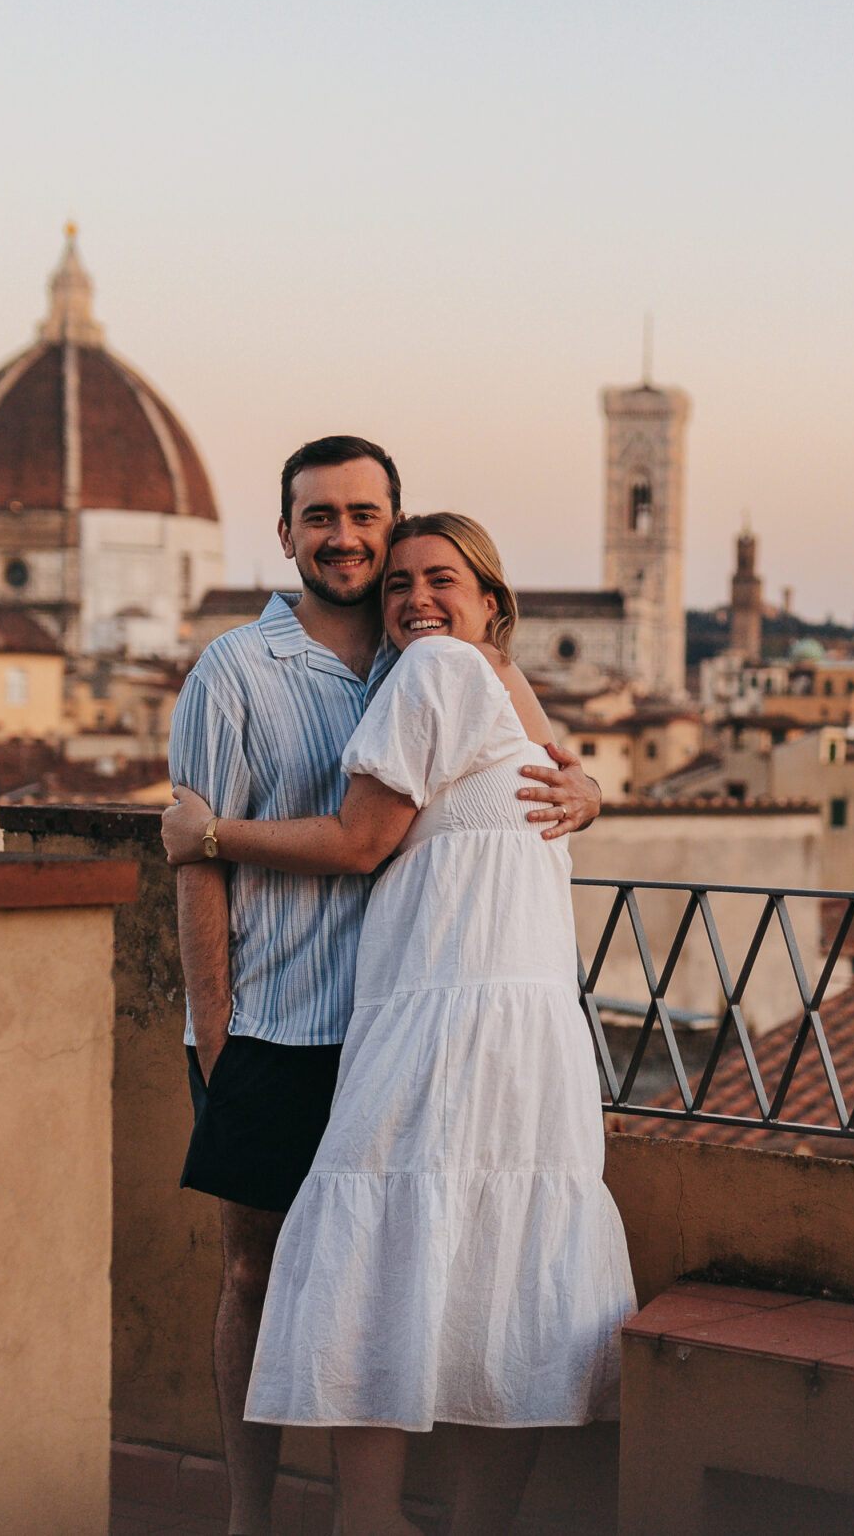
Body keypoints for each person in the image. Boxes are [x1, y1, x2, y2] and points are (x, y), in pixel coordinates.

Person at [163, 512, 636, 1536]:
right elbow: (545, 778)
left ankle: (362, 1521)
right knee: (499, 1284)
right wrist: (590, 788)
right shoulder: (477, 680)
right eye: (400, 586)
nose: (417, 600)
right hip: (525, 1034)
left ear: (489, 601)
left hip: (440, 1025)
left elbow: (359, 838)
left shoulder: (437, 677)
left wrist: (203, 835)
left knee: (372, 1270)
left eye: (441, 580)